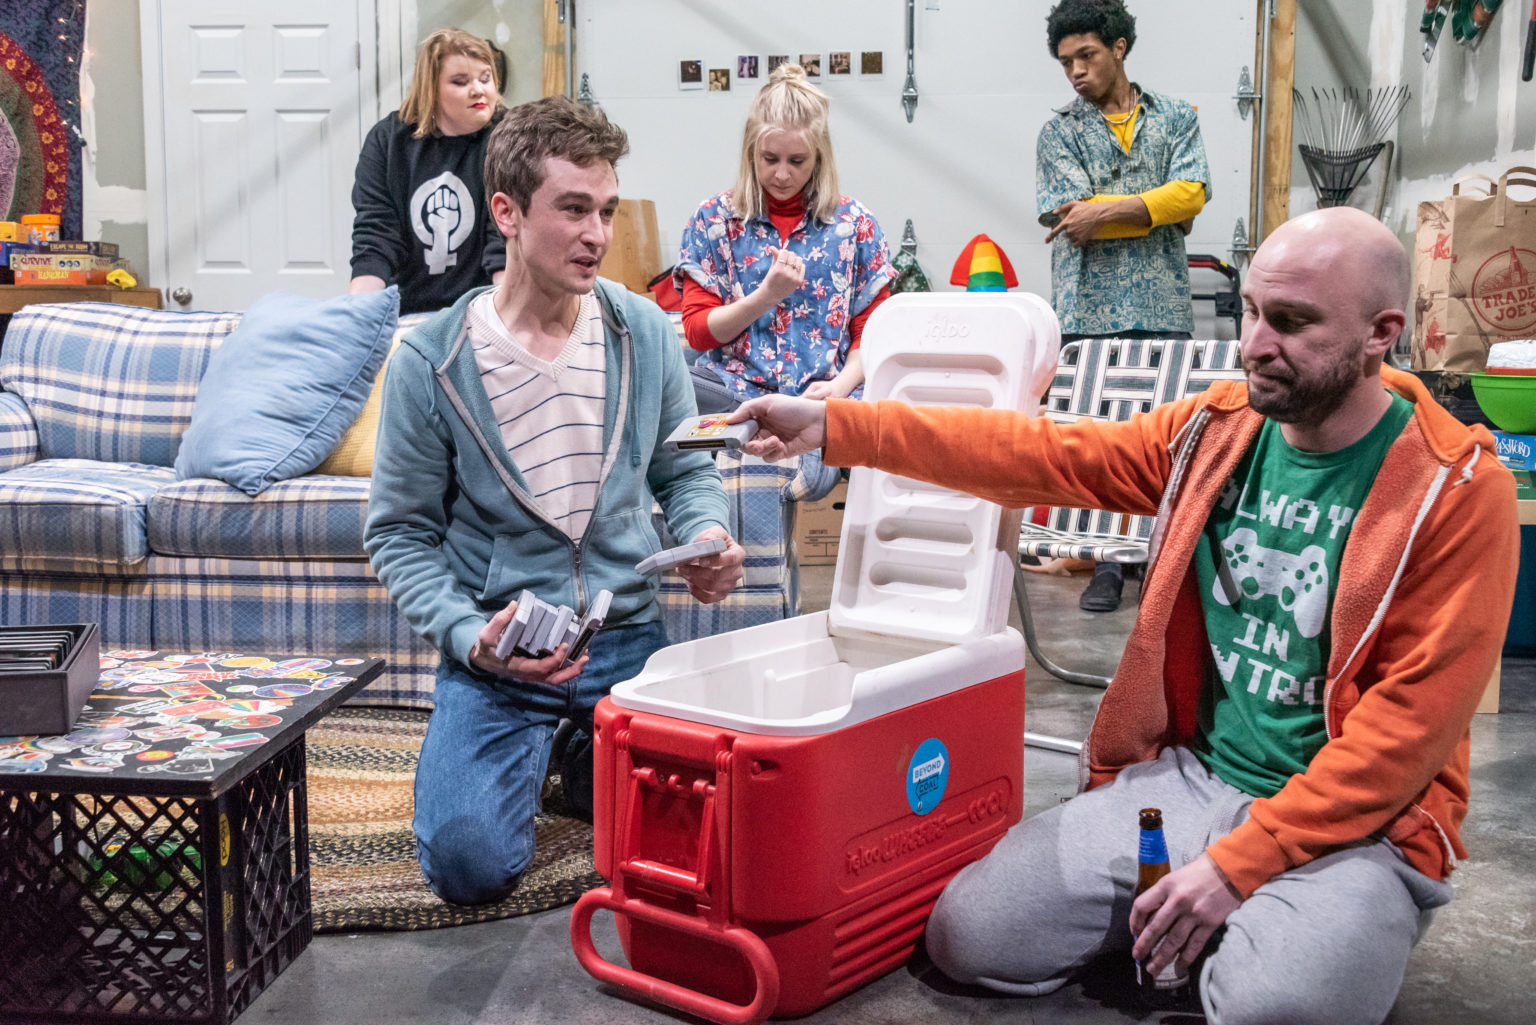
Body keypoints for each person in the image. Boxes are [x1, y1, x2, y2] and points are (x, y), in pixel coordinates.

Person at [731, 206, 1519, 1024]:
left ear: (1381, 333)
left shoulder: (1456, 491)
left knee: (1274, 1009)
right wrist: (837, 425)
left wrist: (1241, 864)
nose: (1254, 343)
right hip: (1195, 779)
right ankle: (1216, 920)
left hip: (1355, 827)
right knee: (973, 934)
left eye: (1291, 323)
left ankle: (1277, 921)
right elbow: (1043, 454)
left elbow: (1403, 738)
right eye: (1251, 311)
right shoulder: (1216, 431)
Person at [364, 96, 745, 906]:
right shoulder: (431, 360)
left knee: (707, 844)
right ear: (507, 212)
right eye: (573, 209)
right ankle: (552, 749)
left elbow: (686, 472)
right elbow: (398, 534)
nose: (597, 234)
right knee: (469, 867)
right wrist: (469, 635)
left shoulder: (646, 332)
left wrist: (707, 533)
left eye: (606, 210)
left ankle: (576, 754)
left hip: (626, 643)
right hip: (503, 660)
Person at [1037, 0, 1211, 612]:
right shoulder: (1059, 132)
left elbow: (1193, 196)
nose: (1076, 72)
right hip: (1089, 310)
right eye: (1066, 62)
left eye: (1086, 55)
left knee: (1168, 440)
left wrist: (1107, 210)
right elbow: (1070, 217)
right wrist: (1157, 207)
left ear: (1119, 48)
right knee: (1100, 439)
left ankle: (1162, 561)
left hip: (1164, 306)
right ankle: (1106, 564)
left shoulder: (1176, 118)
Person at [675, 62, 897, 415]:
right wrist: (766, 297)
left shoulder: (856, 225)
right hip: (736, 393)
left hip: (827, 396)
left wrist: (839, 387)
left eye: (797, 161)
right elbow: (698, 333)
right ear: (751, 151)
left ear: (819, 157)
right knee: (668, 379)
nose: (781, 174)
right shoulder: (713, 220)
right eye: (769, 159)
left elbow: (873, 334)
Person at [350, 29, 507, 315]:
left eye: (485, 78)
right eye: (460, 82)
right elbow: (376, 235)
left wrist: (505, 317)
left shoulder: (508, 137)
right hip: (408, 307)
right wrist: (358, 314)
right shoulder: (388, 141)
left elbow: (504, 239)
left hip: (484, 306)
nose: (478, 90)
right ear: (431, 89)